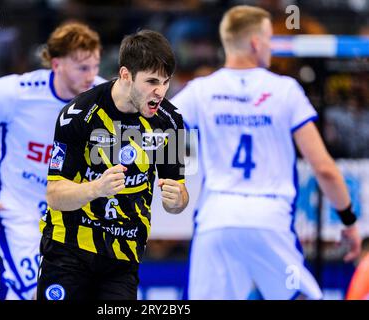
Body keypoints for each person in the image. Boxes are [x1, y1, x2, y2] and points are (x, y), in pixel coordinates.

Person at [171, 5, 362, 300]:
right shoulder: (285, 90)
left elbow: (154, 128)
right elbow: (323, 167)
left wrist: (169, 173)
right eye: (270, 39)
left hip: (217, 217)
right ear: (256, 43)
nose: (272, 47)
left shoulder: (201, 90)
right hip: (268, 219)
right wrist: (349, 221)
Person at [0, 22, 104, 300]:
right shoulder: (16, 92)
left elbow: (157, 127)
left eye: (95, 66)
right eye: (82, 68)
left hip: (72, 211)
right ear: (56, 64)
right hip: (16, 207)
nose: (91, 76)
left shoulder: (106, 97)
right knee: (44, 290)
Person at [37, 30, 189, 301]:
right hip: (68, 249)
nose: (160, 91)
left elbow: (178, 198)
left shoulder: (172, 121)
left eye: (166, 82)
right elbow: (54, 195)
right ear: (125, 75)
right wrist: (96, 188)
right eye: (152, 81)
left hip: (123, 256)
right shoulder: (79, 114)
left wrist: (178, 200)